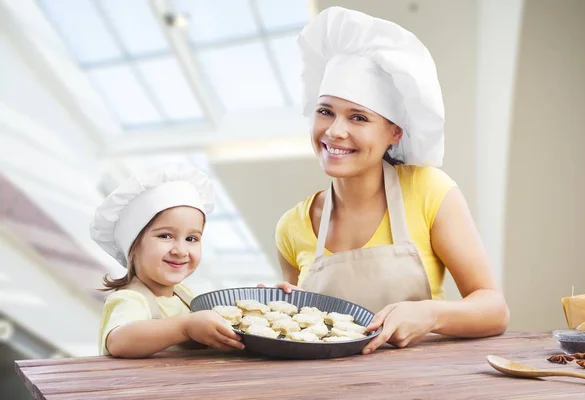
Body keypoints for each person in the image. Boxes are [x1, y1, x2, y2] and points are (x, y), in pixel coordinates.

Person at [268, 7, 510, 354]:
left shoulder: (429, 192)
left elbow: (494, 310)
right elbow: (297, 329)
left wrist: (430, 314)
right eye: (325, 111)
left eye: (358, 117)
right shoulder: (291, 226)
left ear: (394, 133)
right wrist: (275, 307)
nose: (335, 131)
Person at [91, 164, 244, 358]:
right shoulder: (131, 300)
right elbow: (119, 342)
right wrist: (185, 327)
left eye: (191, 239)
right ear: (133, 246)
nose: (180, 251)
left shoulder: (183, 295)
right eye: (165, 236)